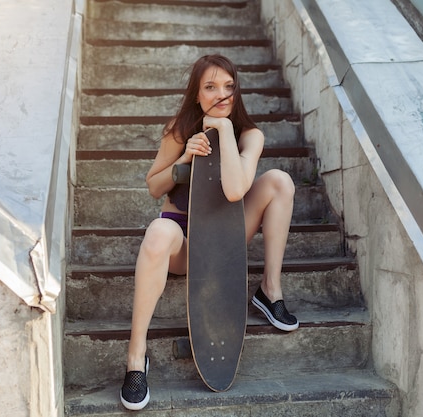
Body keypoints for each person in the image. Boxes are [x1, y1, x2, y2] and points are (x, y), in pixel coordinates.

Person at [120, 54, 299, 411]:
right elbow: (154, 186)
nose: (222, 94)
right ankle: (135, 360)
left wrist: (225, 129)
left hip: (226, 239)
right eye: (211, 87)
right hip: (184, 243)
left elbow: (235, 190)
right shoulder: (179, 128)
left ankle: (269, 290)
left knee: (280, 181)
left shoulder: (250, 135)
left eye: (229, 87)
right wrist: (183, 159)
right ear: (197, 94)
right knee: (157, 232)